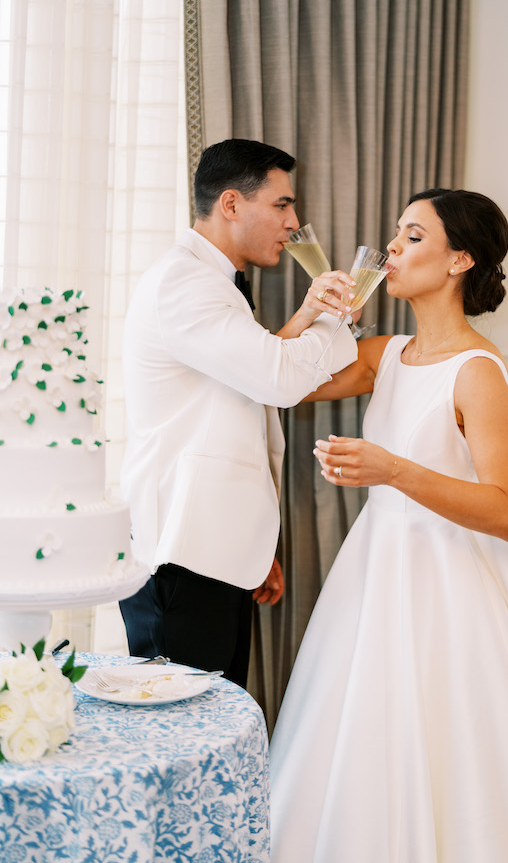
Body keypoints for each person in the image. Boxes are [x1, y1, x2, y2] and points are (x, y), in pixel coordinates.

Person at [269, 189, 508, 862]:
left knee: (455, 759)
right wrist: (319, 316)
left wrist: (393, 471)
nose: (392, 247)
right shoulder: (385, 353)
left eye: (413, 236)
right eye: (395, 234)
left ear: (459, 259)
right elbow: (279, 379)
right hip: (375, 581)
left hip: (452, 594)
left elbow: (506, 511)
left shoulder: (477, 370)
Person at [119, 138, 359, 687]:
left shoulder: (211, 282)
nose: (294, 222)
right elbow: (278, 378)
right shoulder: (185, 283)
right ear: (231, 204)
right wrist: (335, 318)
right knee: (181, 744)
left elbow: (241, 390)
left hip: (213, 550)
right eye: (282, 206)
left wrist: (253, 550)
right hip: (180, 553)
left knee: (213, 732)